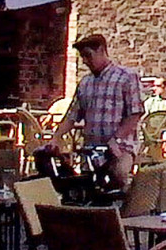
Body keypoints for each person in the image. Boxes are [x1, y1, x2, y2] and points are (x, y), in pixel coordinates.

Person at [48, 34, 145, 191]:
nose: (85, 61)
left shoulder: (126, 77)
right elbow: (72, 115)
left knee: (118, 175)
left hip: (121, 147)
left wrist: (117, 139)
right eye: (82, 57)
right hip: (92, 149)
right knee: (87, 185)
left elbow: (135, 114)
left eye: (88, 55)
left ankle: (124, 210)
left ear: (101, 50)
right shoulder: (85, 83)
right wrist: (56, 137)